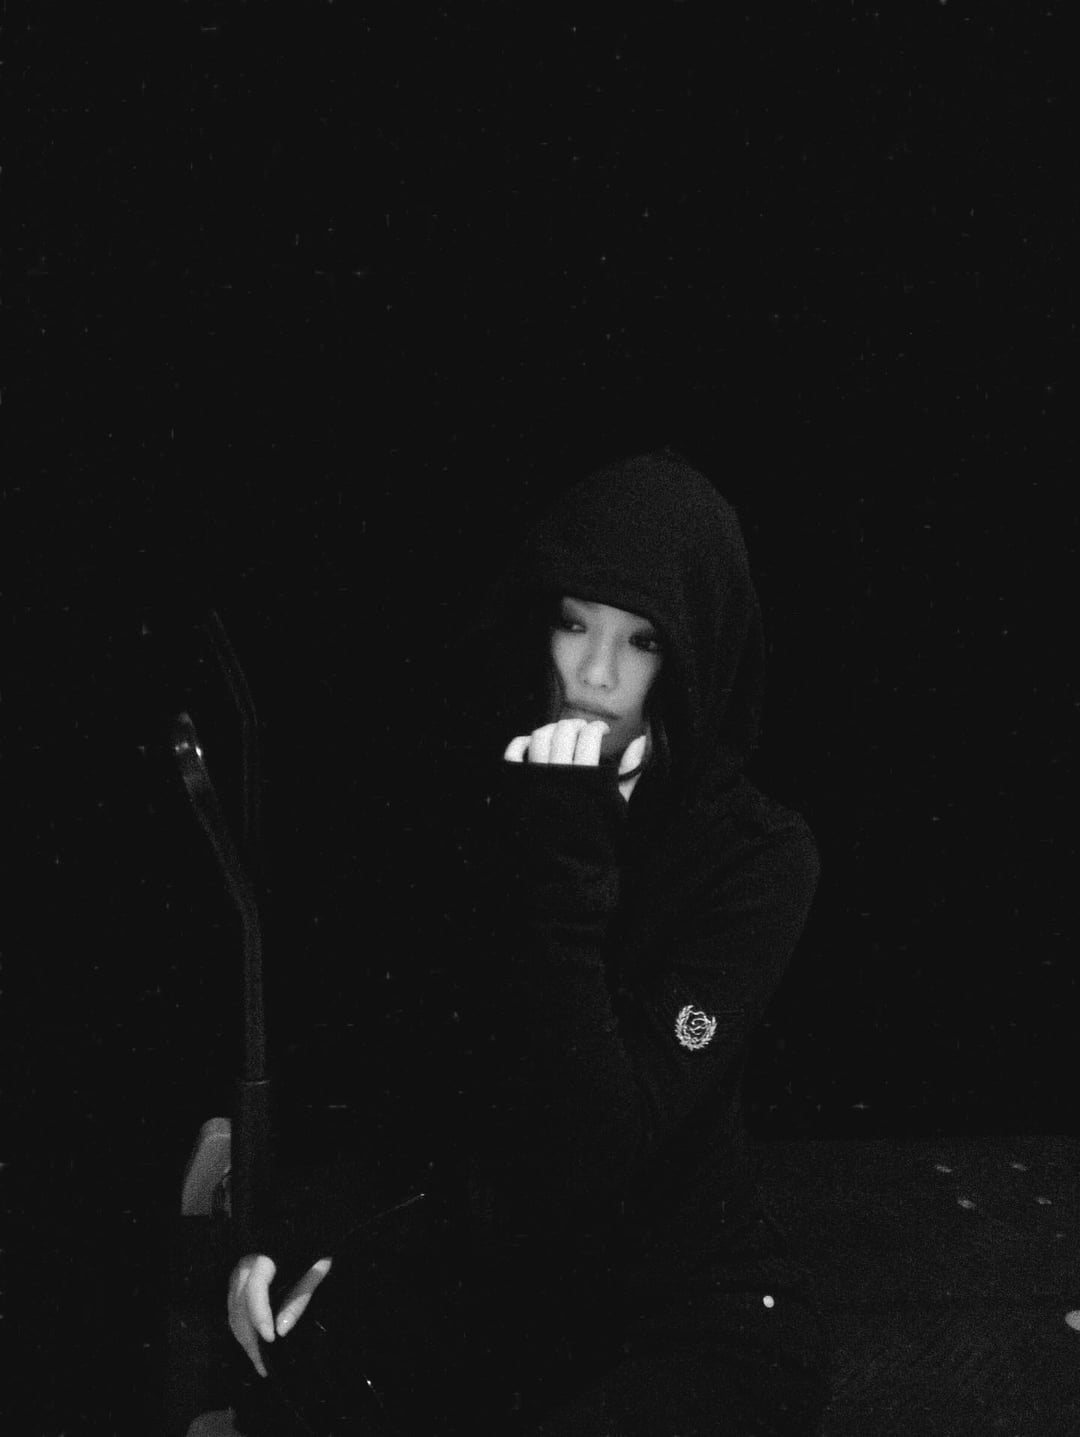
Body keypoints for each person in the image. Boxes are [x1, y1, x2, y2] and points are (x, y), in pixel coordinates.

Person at [226, 449, 836, 1435]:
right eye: (575, 623)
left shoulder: (757, 854)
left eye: (642, 640)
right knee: (289, 1367)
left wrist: (563, 861)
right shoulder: (475, 794)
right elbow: (420, 1065)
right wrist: (304, 1229)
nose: (596, 675)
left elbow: (600, 1147)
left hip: (684, 1300)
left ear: (692, 655)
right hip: (503, 1272)